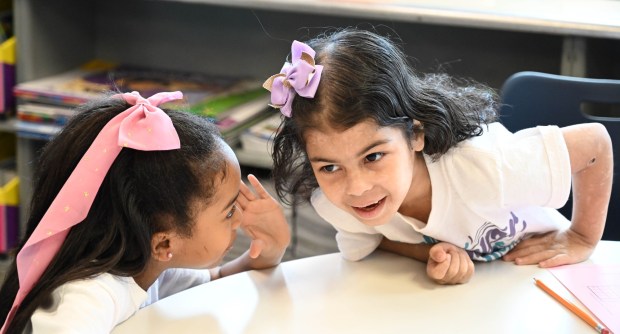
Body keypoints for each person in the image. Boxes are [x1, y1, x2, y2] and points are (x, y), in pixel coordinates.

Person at [264, 28, 613, 285]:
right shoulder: (336, 204)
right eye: (329, 166)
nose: (356, 188)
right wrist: (430, 253)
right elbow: (374, 241)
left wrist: (582, 236)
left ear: (415, 134)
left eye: (372, 157)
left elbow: (595, 144)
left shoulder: (483, 166)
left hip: (555, 278)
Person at [0, 91, 290, 333]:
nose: (240, 218)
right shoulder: (87, 295)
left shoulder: (149, 264)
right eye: (229, 212)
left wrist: (268, 250)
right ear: (164, 243)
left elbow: (218, 281)